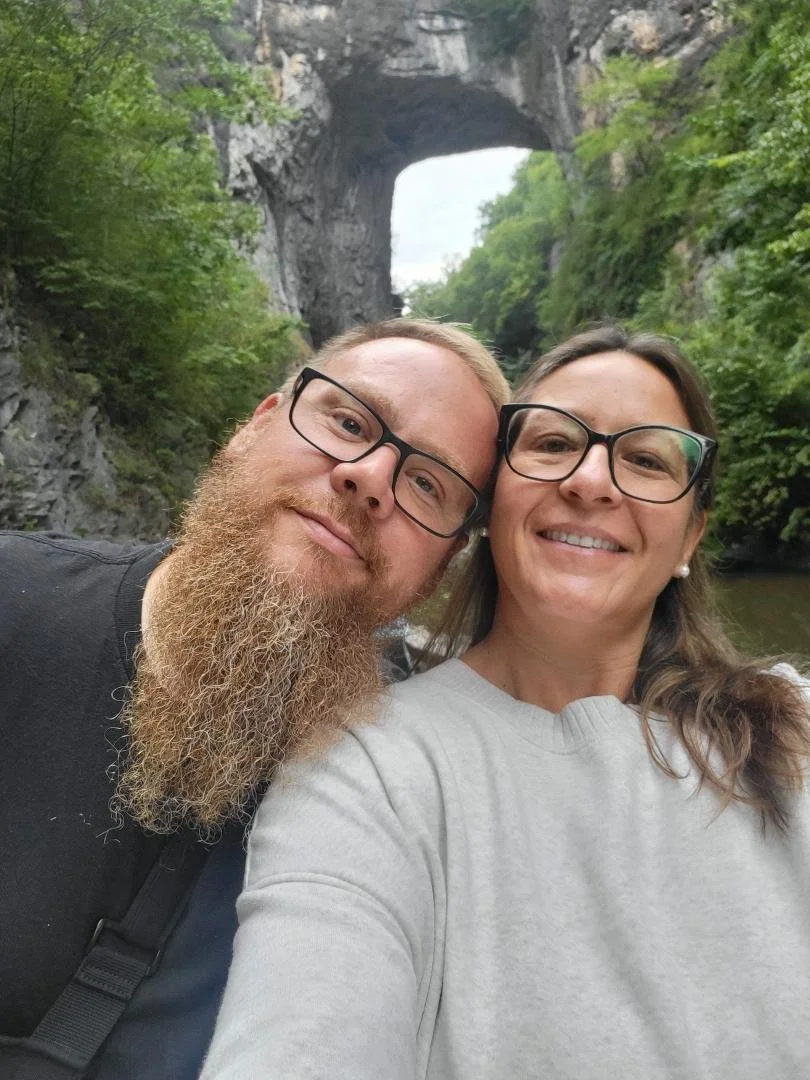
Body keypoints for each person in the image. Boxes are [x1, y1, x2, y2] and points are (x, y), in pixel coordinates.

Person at [201, 326, 810, 1080]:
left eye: (647, 459)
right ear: (493, 506)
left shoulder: (793, 730)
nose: (592, 481)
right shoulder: (366, 766)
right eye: (553, 444)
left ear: (691, 534)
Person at [0, 317, 510, 1080]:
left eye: (429, 484)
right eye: (347, 421)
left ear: (440, 571)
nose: (370, 476)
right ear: (254, 427)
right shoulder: (14, 607)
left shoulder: (414, 784)